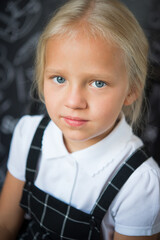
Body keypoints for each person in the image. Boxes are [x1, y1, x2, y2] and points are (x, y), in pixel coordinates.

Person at [0, 0, 160, 239]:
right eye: (59, 79)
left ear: (132, 90)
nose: (74, 101)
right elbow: (5, 226)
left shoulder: (140, 183)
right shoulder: (28, 134)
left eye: (98, 83)